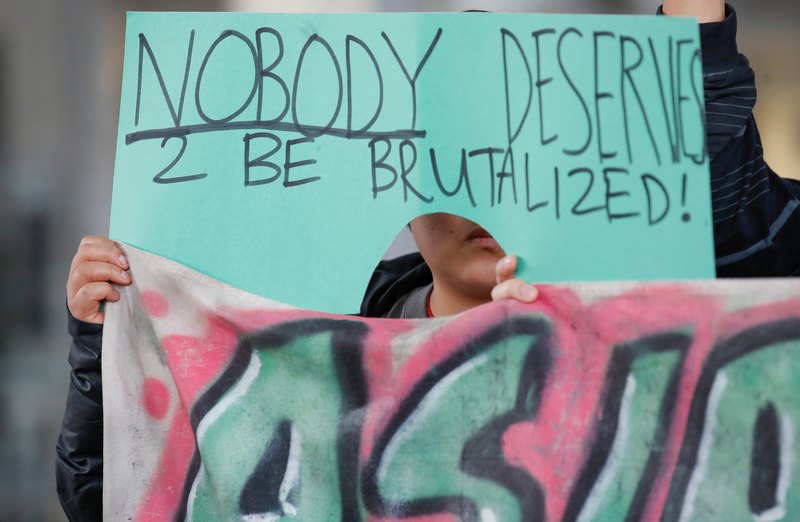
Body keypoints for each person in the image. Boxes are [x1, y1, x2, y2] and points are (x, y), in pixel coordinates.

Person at [56, 2, 800, 520]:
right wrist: (107, 346)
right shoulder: (306, 346)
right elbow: (142, 497)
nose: (483, 198)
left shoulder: (637, 333)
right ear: (396, 182)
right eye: (449, 163)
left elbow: (729, 201)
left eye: (509, 155)